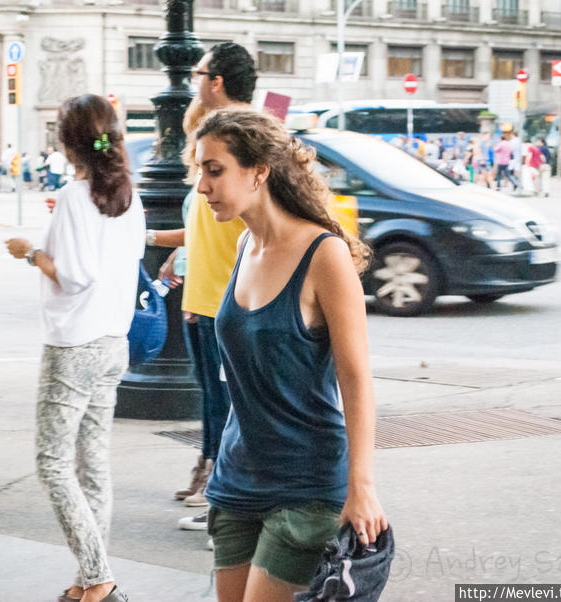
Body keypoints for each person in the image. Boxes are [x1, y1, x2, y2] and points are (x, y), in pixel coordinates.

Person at [189, 108, 387, 601]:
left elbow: (356, 379)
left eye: (214, 170)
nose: (201, 185)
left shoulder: (324, 255)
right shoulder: (243, 246)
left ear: (259, 171)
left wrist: (360, 485)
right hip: (236, 480)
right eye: (199, 170)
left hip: (306, 485)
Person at [5, 94, 144, 602]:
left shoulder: (72, 197)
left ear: (67, 142)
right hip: (113, 340)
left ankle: (99, 578)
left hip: (75, 345)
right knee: (93, 463)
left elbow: (76, 275)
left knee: (54, 464)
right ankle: (91, 579)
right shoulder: (128, 196)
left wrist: (31, 253)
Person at [147, 44, 257, 528]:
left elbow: (255, 222)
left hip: (227, 292)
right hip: (202, 286)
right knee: (213, 394)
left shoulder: (246, 138)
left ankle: (225, 489)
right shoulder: (213, 137)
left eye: (198, 72)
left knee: (229, 396)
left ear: (215, 81)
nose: (192, 81)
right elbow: (207, 220)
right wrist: (179, 253)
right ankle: (211, 472)